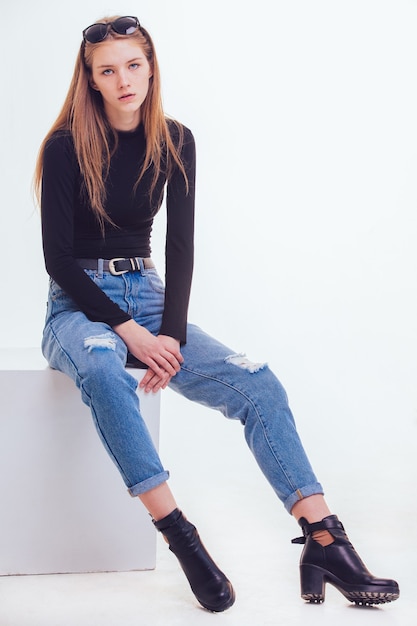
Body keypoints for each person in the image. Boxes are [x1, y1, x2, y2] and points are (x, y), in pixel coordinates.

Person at [34, 15, 399, 613]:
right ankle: (181, 536)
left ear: (151, 66)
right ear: (91, 80)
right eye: (108, 70)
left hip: (149, 295)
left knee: (259, 385)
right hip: (77, 305)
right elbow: (58, 259)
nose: (124, 79)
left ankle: (325, 539)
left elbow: (181, 247)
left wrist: (170, 334)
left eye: (133, 64)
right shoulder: (66, 145)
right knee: (103, 369)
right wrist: (126, 332)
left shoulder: (176, 139)